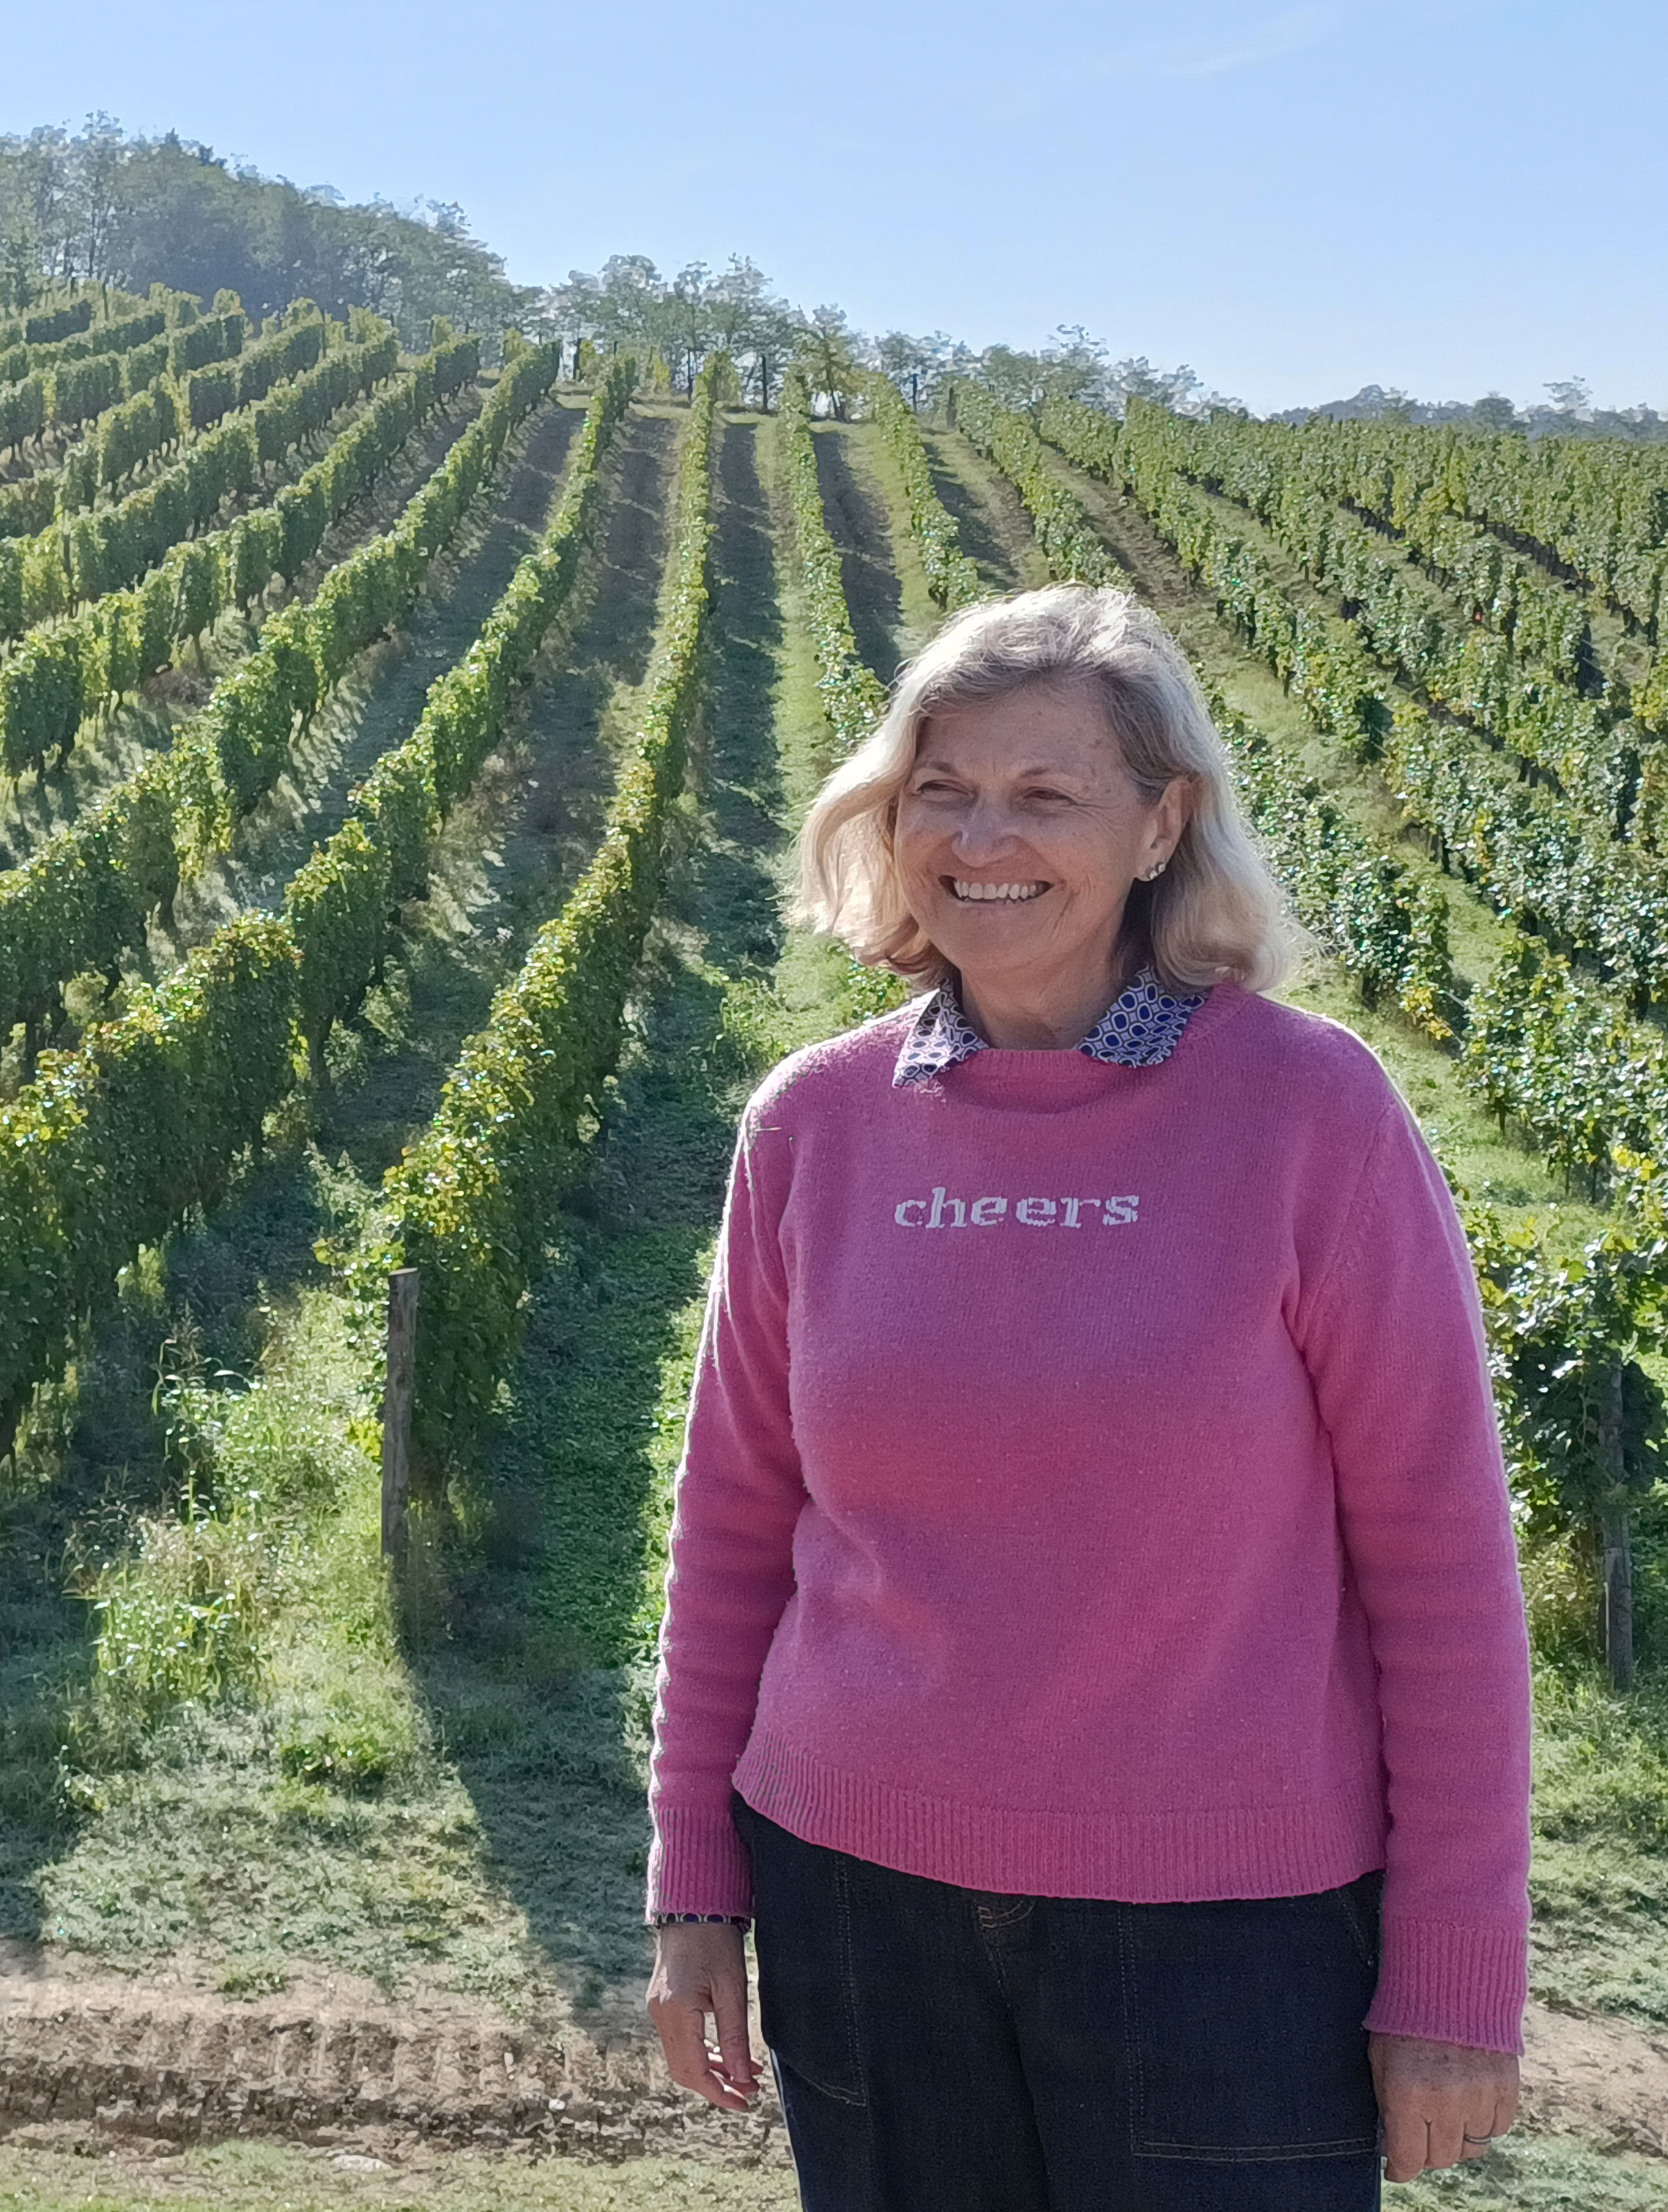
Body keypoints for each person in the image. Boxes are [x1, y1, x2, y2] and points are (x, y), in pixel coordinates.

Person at [642, 585, 1530, 2209]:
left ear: (1159, 824)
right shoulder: (812, 1127)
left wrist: (1455, 1977)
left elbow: (1443, 1570)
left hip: (1228, 1948)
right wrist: (695, 1883)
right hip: (857, 1908)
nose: (982, 836)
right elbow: (733, 1536)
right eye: (941, 788)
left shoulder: (1308, 1114)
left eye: (1044, 794)